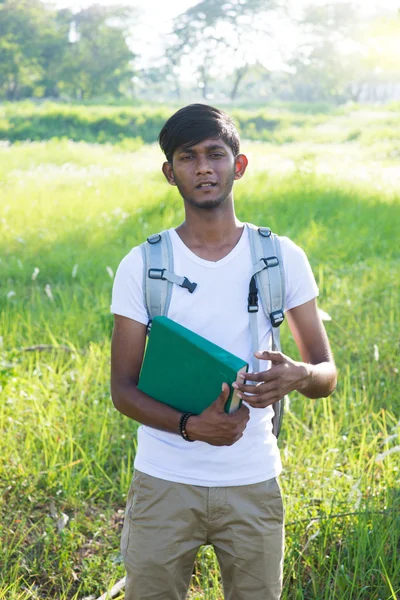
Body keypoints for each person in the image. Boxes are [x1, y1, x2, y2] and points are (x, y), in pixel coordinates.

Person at [110, 103, 337, 600]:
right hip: (164, 480)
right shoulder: (143, 264)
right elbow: (122, 390)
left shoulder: (281, 257)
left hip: (254, 478)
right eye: (187, 157)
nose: (204, 168)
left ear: (239, 165)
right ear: (170, 173)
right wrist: (192, 428)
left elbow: (326, 372)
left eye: (215, 154)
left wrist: (300, 375)